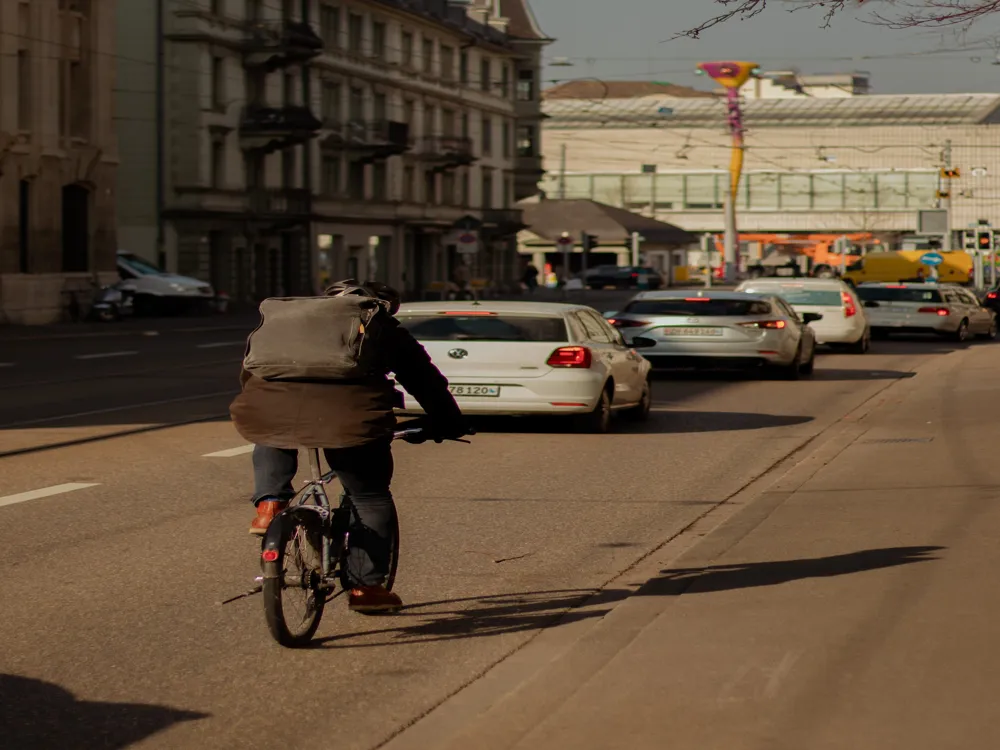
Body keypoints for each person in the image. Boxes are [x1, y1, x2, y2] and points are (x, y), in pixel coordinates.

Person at [230, 280, 468, 613]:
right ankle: (366, 588)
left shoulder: (289, 320)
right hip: (350, 418)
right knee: (369, 495)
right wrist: (448, 421)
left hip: (264, 406)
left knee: (274, 428)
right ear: (380, 305)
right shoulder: (382, 325)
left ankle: (269, 504)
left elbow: (250, 370)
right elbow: (424, 379)